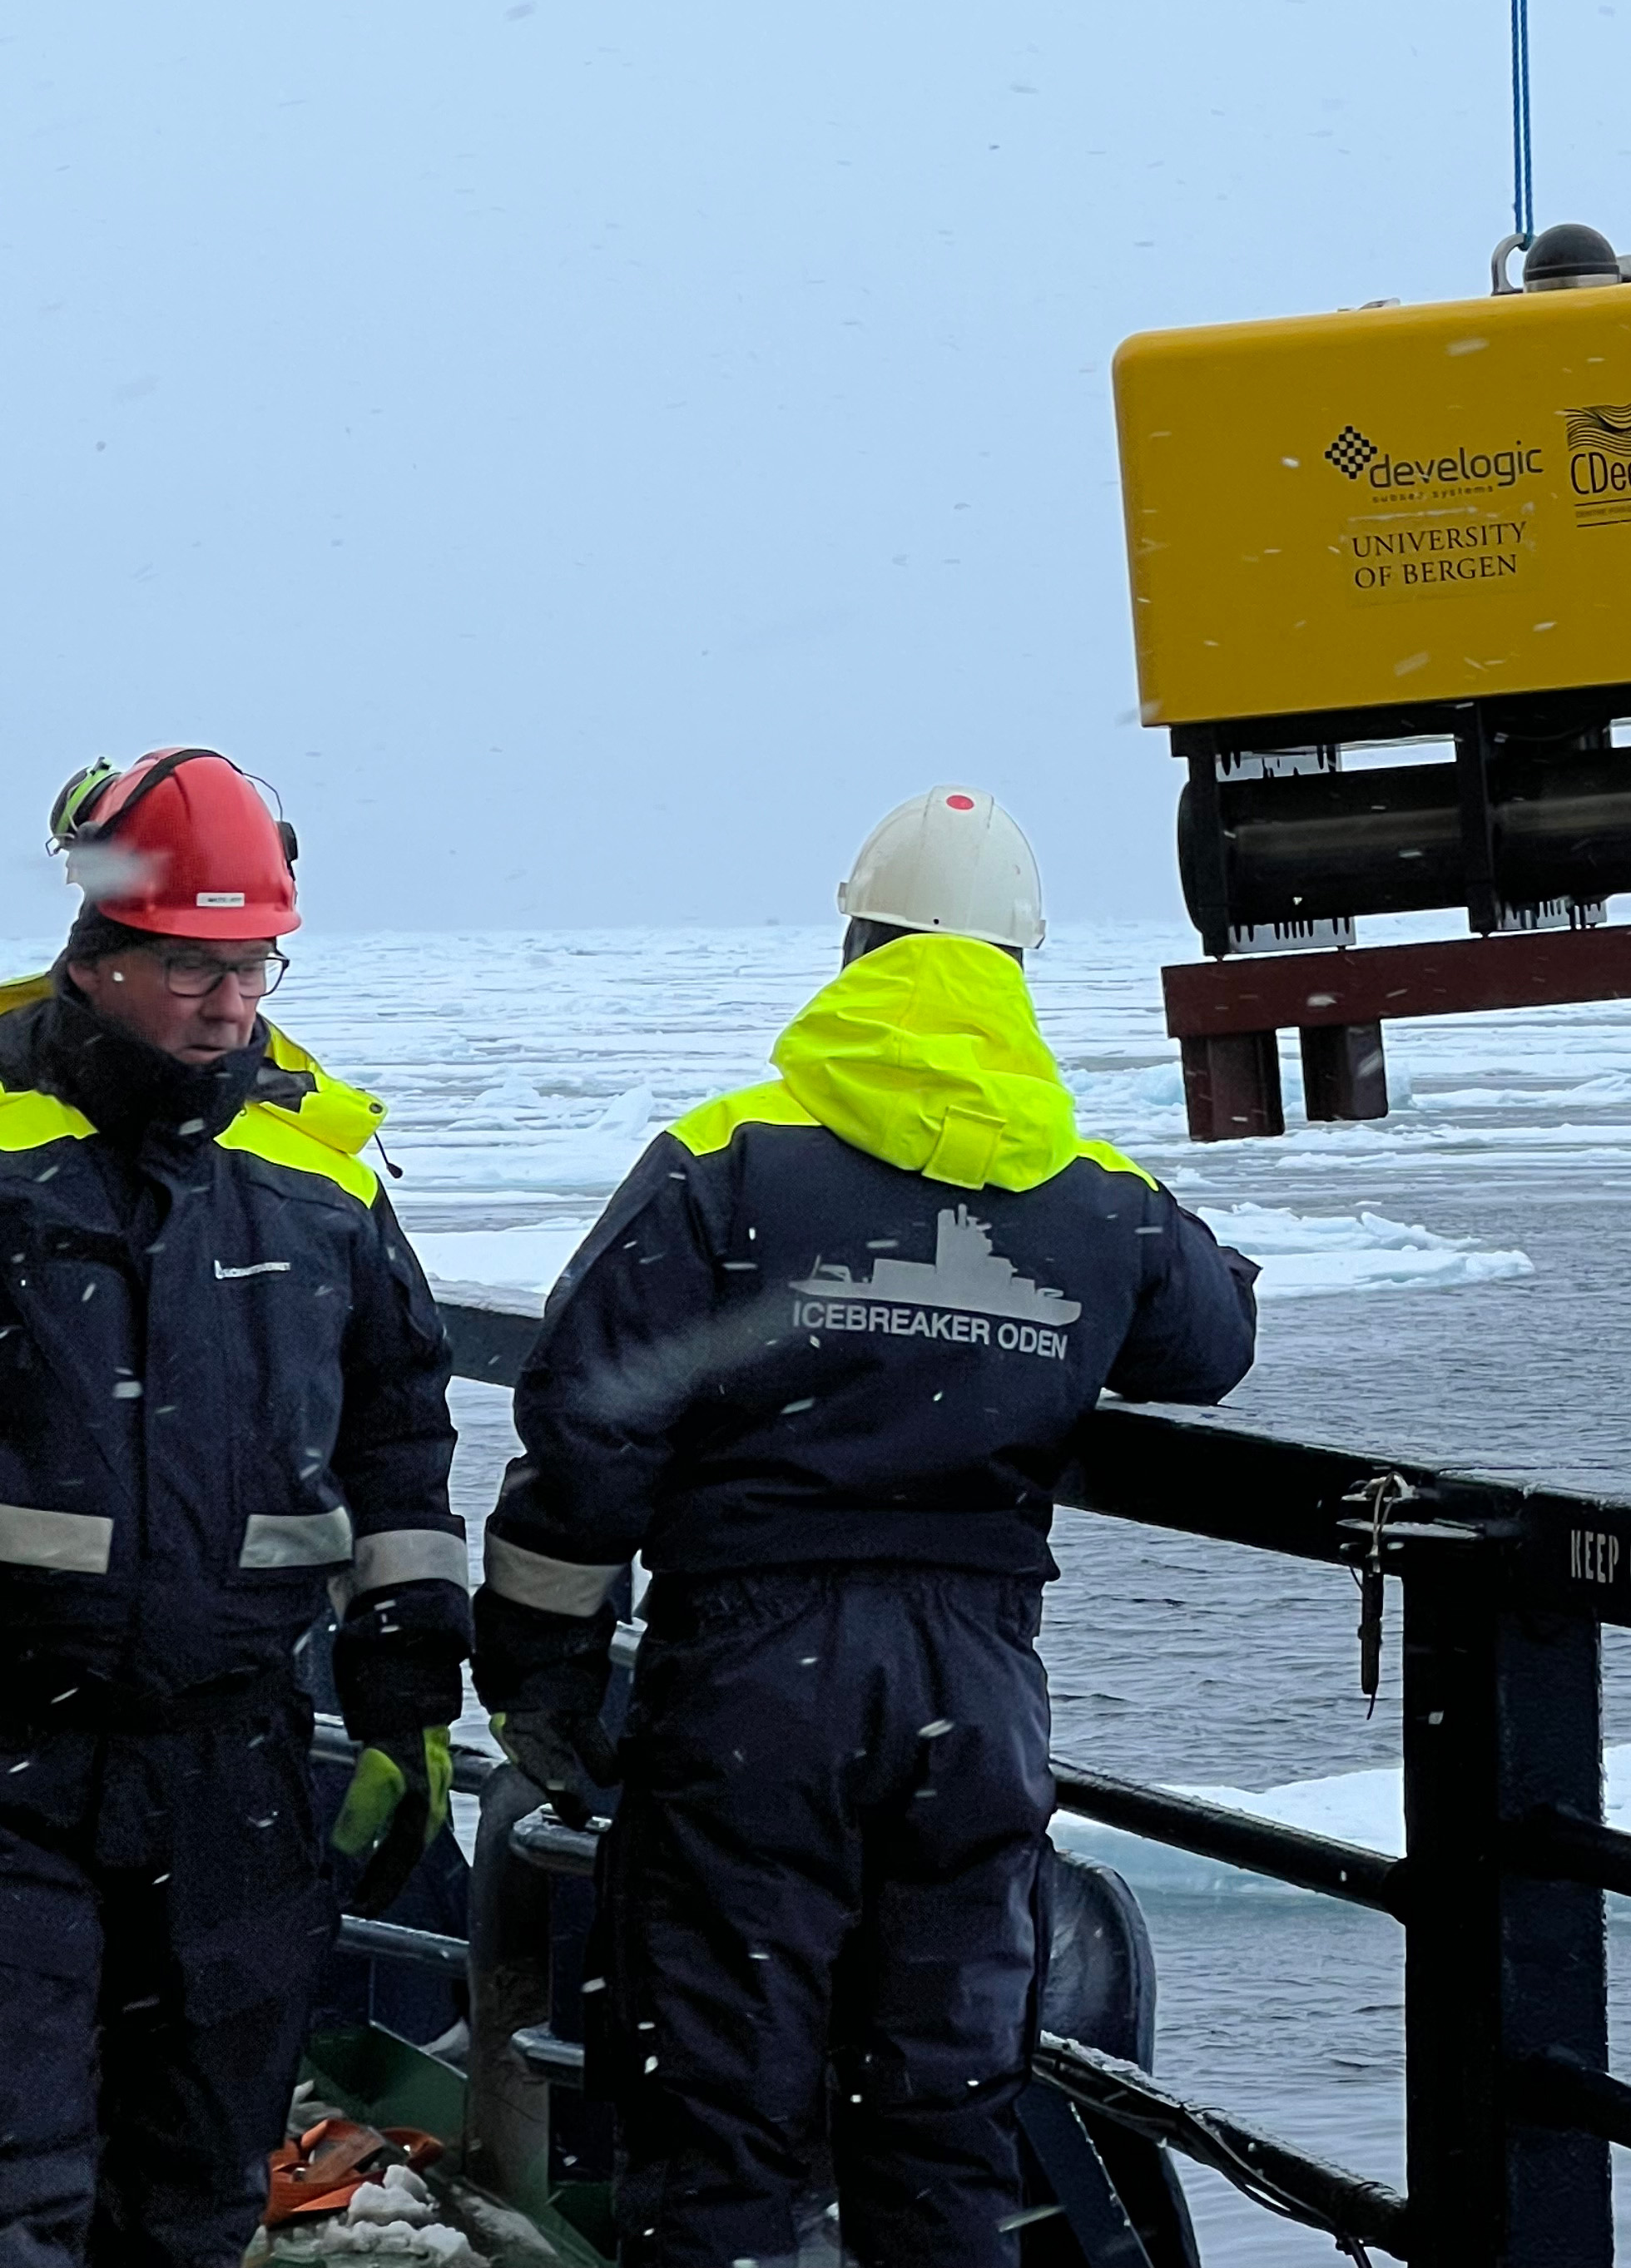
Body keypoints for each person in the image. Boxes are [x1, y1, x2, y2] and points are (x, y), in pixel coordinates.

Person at [474, 787, 1259, 2268]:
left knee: (719, 2097)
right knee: (943, 2101)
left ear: (856, 952)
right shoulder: (1090, 1195)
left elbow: (588, 1428)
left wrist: (540, 1672)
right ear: (1015, 974)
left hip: (752, 1675)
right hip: (974, 1685)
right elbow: (1210, 1343)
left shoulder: (727, 1160)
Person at [0, 747, 470, 2268]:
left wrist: (406, 1679)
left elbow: (398, 1424)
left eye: (255, 965)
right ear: (99, 956)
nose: (230, 1005)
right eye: (194, 968)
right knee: (17, 2179)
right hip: (15, 1750)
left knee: (198, 2179)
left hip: (233, 1765)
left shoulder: (314, 1163)